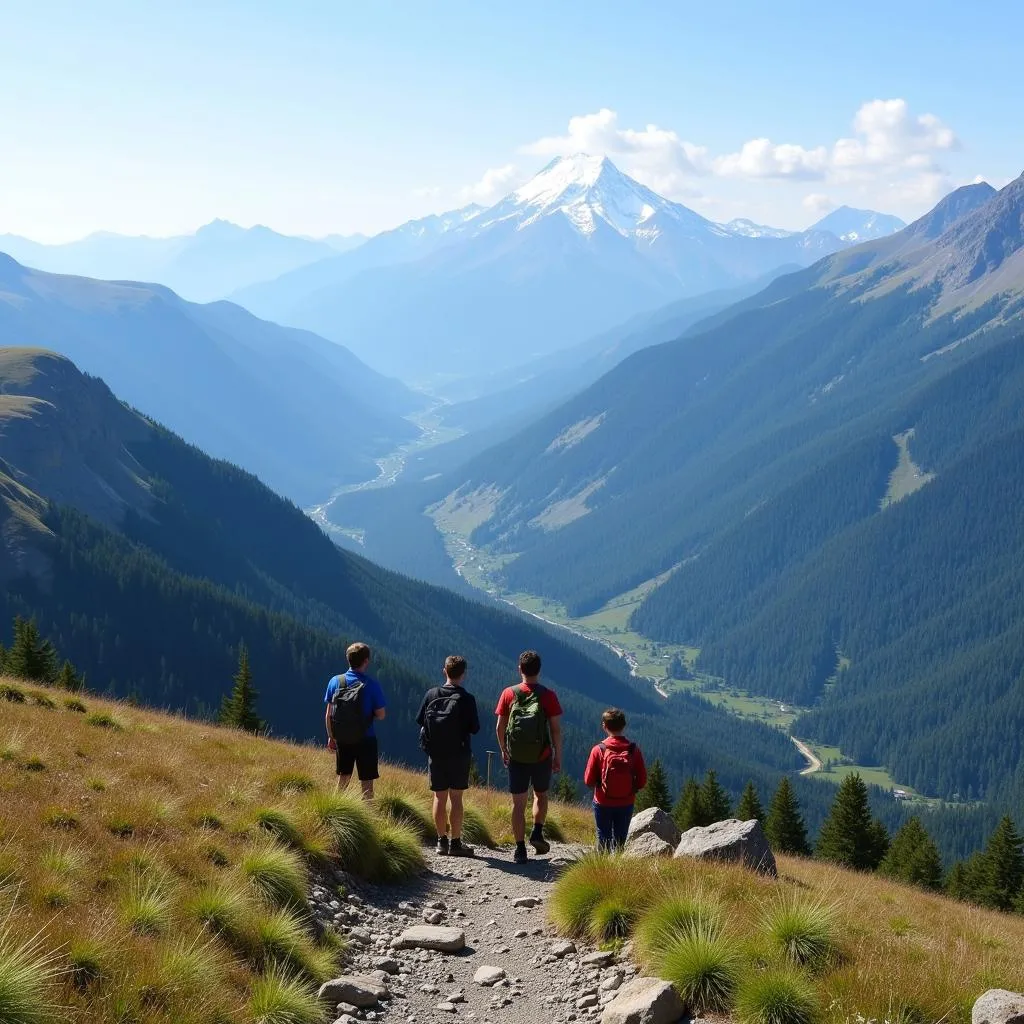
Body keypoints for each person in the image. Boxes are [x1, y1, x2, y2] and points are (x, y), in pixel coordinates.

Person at [495, 650, 563, 864]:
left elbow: (500, 726)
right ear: (539, 670)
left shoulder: (509, 693)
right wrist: (557, 755)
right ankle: (537, 832)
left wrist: (504, 749)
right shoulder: (548, 695)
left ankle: (519, 849)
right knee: (540, 795)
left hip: (516, 757)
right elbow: (555, 730)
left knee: (518, 803)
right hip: (541, 756)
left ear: (520, 669)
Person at [416, 655, 481, 857]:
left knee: (439, 796)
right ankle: (456, 843)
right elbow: (475, 728)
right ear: (464, 674)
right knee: (456, 798)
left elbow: (421, 721)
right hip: (459, 755)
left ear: (444, 671)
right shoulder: (467, 699)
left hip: (436, 754)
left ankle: (440, 841)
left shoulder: (431, 694)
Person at [324, 642, 387, 800]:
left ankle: (335, 811)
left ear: (348, 659)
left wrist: (332, 737)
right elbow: (381, 715)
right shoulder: (371, 685)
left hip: (343, 738)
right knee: (367, 784)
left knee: (343, 778)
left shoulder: (335, 681)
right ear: (366, 661)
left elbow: (328, 715)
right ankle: (368, 817)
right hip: (366, 738)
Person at [583, 707, 647, 852]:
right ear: (624, 725)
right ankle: (617, 870)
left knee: (603, 835)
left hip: (602, 801)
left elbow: (588, 780)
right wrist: (631, 788)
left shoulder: (598, 750)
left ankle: (602, 869)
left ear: (604, 726)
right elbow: (642, 780)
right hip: (626, 801)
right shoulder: (633, 750)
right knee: (620, 839)